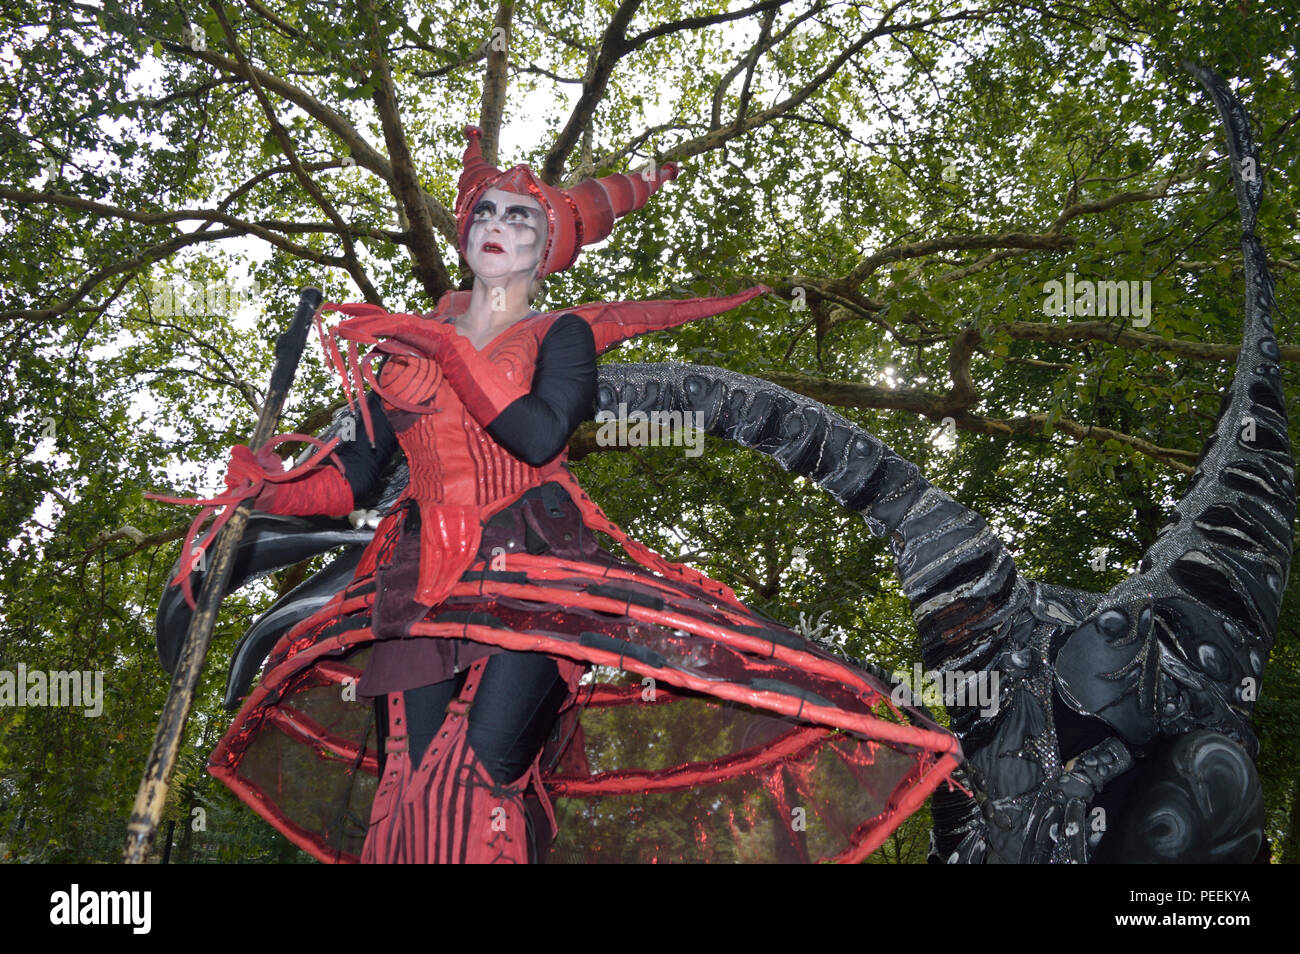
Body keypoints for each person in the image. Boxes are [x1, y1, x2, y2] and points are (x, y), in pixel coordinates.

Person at [163, 127, 960, 863]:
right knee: (406, 784)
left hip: (535, 567)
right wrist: (268, 487)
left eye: (520, 217)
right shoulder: (400, 346)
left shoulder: (560, 336)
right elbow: (355, 480)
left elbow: (541, 437)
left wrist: (448, 350)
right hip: (413, 582)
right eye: (483, 212)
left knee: (477, 779)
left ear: (546, 250)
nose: (496, 223)